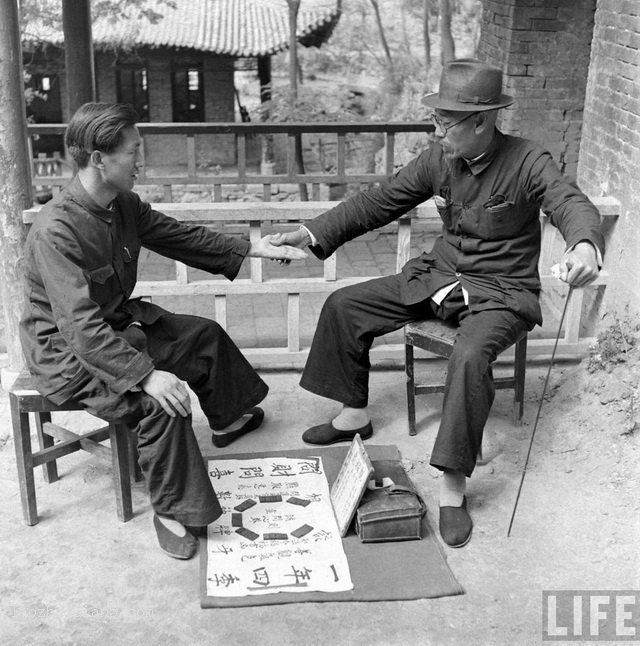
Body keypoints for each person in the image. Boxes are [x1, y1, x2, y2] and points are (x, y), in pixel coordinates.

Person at [271, 59, 605, 548]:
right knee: (345, 305)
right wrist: (310, 232)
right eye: (435, 118)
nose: (436, 129)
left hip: (500, 292)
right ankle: (353, 414)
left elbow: (568, 202)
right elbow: (377, 202)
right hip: (440, 277)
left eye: (444, 121)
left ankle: (452, 487)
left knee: (470, 356)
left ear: (481, 121)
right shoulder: (437, 158)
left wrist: (584, 245)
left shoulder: (529, 160)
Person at [19, 102, 307, 560]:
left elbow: (182, 237)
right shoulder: (57, 229)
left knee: (202, 334)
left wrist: (252, 247)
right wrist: (146, 375)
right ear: (99, 159)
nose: (142, 161)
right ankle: (172, 510)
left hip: (112, 327)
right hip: (68, 353)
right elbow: (79, 327)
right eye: (134, 152)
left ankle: (229, 419)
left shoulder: (123, 204)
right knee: (162, 402)